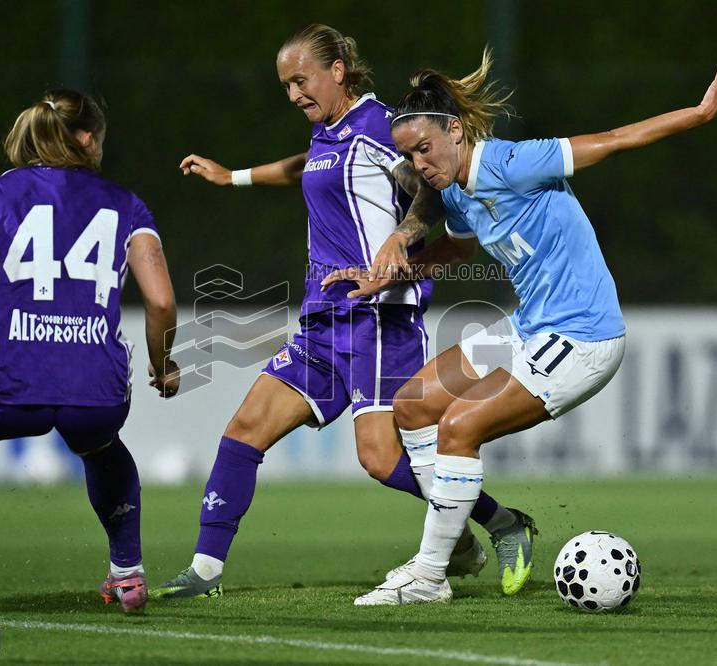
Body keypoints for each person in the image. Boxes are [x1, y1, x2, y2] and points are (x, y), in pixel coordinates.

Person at [331, 52, 717, 604]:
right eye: (409, 153)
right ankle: (503, 527)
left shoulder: (516, 163)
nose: (418, 164)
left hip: (582, 338)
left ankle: (429, 575)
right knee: (412, 406)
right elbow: (458, 244)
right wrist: (393, 273)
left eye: (424, 149)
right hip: (529, 326)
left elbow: (615, 138)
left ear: (455, 130)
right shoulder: (455, 190)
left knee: (458, 428)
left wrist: (699, 114)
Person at [153, 24, 530, 600]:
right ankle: (204, 572)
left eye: (300, 80)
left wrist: (402, 238)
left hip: (379, 315)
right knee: (246, 428)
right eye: (285, 85)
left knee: (380, 458)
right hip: (323, 320)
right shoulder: (330, 134)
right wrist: (233, 176)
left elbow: (431, 185)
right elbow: (307, 165)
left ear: (337, 71)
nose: (293, 94)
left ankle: (501, 523)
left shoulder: (381, 125)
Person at [0, 89, 179, 619]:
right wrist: (162, 365)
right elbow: (160, 300)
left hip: (12, 388)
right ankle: (128, 573)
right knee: (103, 443)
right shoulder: (126, 203)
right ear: (87, 138)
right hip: (98, 390)